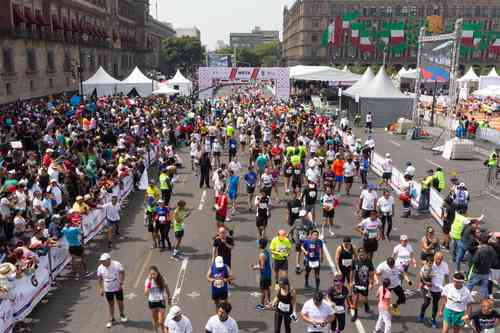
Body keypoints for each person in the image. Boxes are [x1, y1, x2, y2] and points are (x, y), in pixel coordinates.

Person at [96, 253, 128, 328]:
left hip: (117, 287)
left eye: (104, 261)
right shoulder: (100, 267)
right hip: (108, 289)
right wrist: (101, 288)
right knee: (111, 304)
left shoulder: (116, 264)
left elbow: (122, 272)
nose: (102, 262)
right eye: (101, 261)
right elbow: (100, 278)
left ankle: (122, 315)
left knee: (120, 302)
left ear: (109, 260)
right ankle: (112, 318)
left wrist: (121, 282)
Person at [419, 252, 449, 328]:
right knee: (426, 303)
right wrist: (423, 282)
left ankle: (433, 319)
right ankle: (422, 314)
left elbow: (446, 276)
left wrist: (447, 286)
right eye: (438, 259)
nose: (439, 260)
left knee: (435, 304)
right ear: (434, 257)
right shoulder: (430, 263)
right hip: (428, 288)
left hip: (438, 289)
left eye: (441, 259)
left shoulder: (445, 265)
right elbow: (422, 273)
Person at [466, 231, 497, 300]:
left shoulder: (479, 250)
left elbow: (475, 261)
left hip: (477, 271)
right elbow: (494, 260)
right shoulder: (491, 249)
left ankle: (465, 298)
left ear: (481, 242)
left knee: (470, 284)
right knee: (484, 287)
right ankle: (483, 300)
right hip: (486, 271)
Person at [144, 266, 172, 333]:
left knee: (161, 321)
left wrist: (169, 298)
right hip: (152, 302)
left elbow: (167, 288)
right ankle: (156, 331)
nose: (152, 275)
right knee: (155, 320)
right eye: (151, 274)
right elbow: (146, 293)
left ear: (157, 273)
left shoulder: (162, 279)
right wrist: (150, 282)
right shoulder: (148, 281)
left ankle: (163, 331)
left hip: (161, 301)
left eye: (154, 274)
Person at [251, 238, 272, 310]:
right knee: (267, 288)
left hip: (264, 275)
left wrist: (254, 267)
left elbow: (262, 267)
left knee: (263, 290)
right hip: (268, 273)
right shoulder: (266, 252)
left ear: (260, 245)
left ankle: (262, 304)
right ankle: (269, 302)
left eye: (258, 243)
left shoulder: (262, 255)